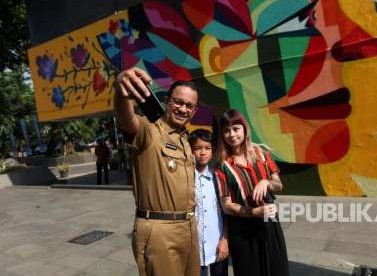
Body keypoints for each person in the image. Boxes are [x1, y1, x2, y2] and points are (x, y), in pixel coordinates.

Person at [113, 67, 200, 276]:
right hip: (160, 230)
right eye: (178, 102)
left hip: (188, 227)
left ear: (194, 111)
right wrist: (120, 89)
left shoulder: (184, 139)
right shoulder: (150, 129)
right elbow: (127, 120)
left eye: (189, 106)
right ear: (167, 101)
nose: (183, 109)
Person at [215, 109, 289, 276]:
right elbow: (226, 206)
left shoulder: (261, 153)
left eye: (236, 128)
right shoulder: (223, 165)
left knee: (277, 270)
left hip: (270, 224)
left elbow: (278, 185)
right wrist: (253, 212)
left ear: (245, 129)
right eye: (226, 130)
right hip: (242, 231)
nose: (232, 134)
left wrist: (266, 182)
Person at [188, 129, 229, 276]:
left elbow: (226, 212)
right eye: (197, 148)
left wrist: (225, 240)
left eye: (207, 148)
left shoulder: (218, 177)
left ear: (213, 150)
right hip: (194, 249)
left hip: (217, 245)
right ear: (190, 150)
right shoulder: (185, 178)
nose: (203, 152)